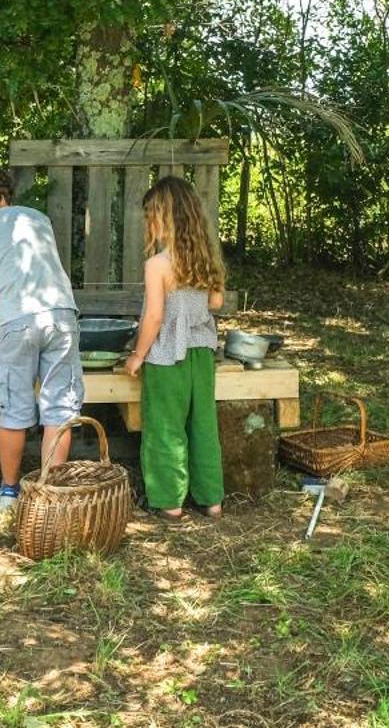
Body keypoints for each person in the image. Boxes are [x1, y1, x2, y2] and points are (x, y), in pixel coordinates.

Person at [0, 165, 82, 513]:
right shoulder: (38, 218)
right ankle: (51, 494)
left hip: (15, 320)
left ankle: (9, 494)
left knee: (14, 411)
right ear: (3, 194)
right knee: (59, 409)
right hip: (62, 316)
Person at [124, 175, 225, 520]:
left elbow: (154, 317)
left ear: (163, 218)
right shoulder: (207, 259)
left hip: (167, 354)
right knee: (203, 424)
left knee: (165, 427)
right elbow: (215, 302)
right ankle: (211, 499)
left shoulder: (158, 265)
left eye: (150, 215)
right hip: (202, 351)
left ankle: (170, 502)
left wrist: (137, 355)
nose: (148, 222)